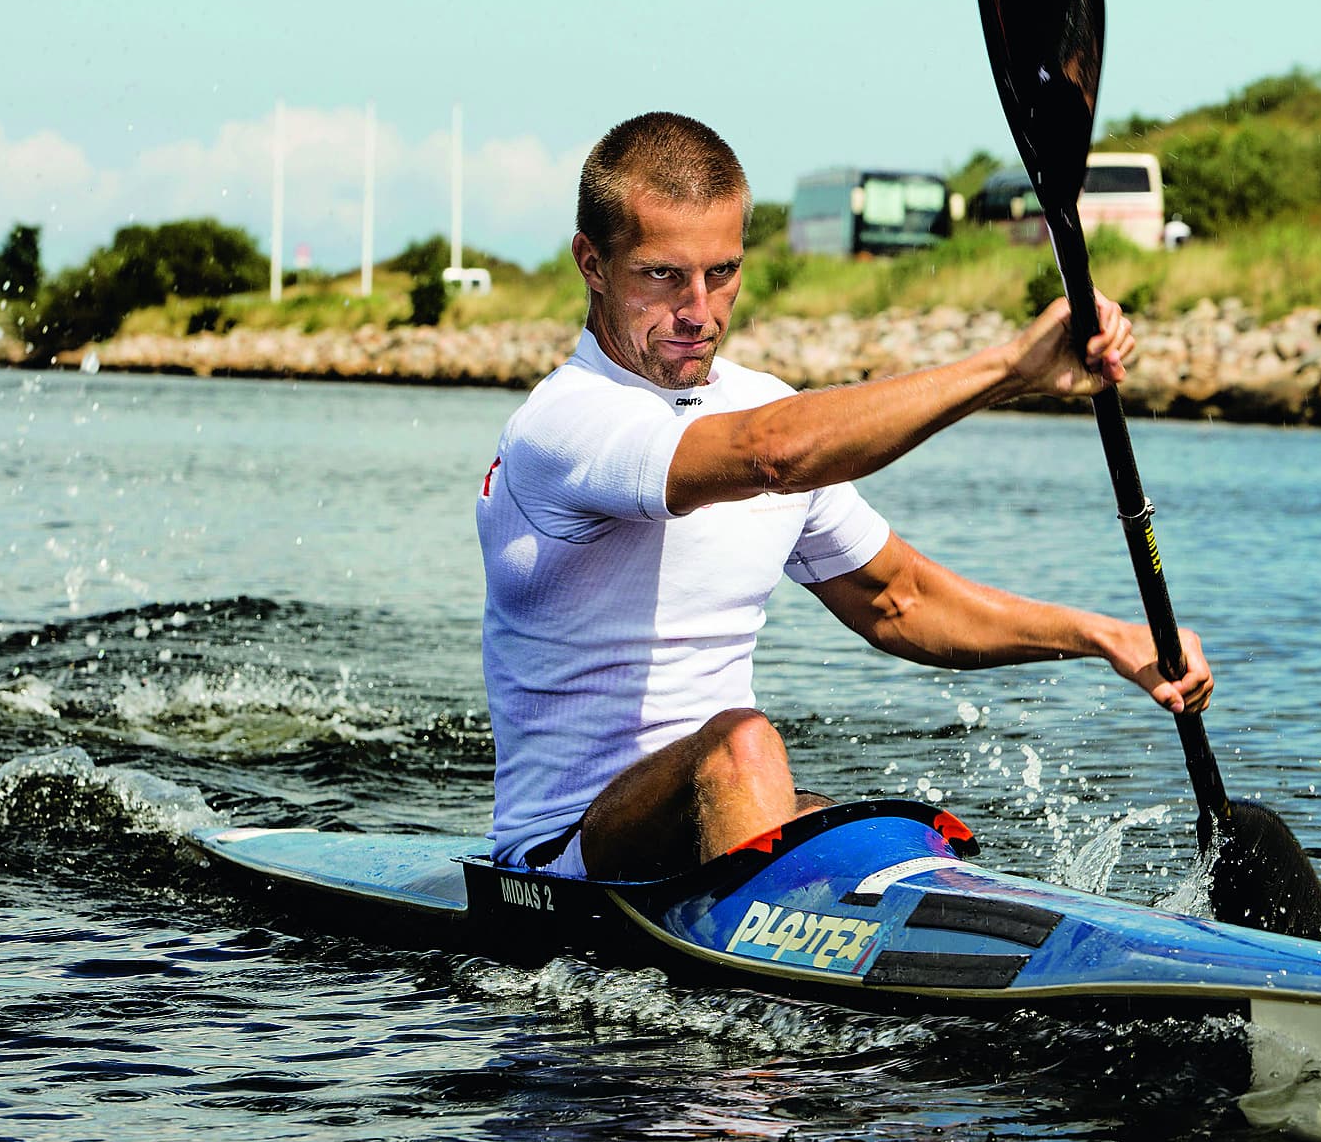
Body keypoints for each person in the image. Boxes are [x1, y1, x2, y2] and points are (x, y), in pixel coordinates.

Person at [477, 111, 1211, 880]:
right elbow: (771, 453)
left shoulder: (762, 402)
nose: (698, 310)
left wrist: (1108, 638)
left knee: (881, 831)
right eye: (662, 275)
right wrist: (1008, 370)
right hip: (564, 856)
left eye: (722, 272)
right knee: (744, 743)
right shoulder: (565, 423)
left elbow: (899, 599)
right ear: (592, 263)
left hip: (721, 819)